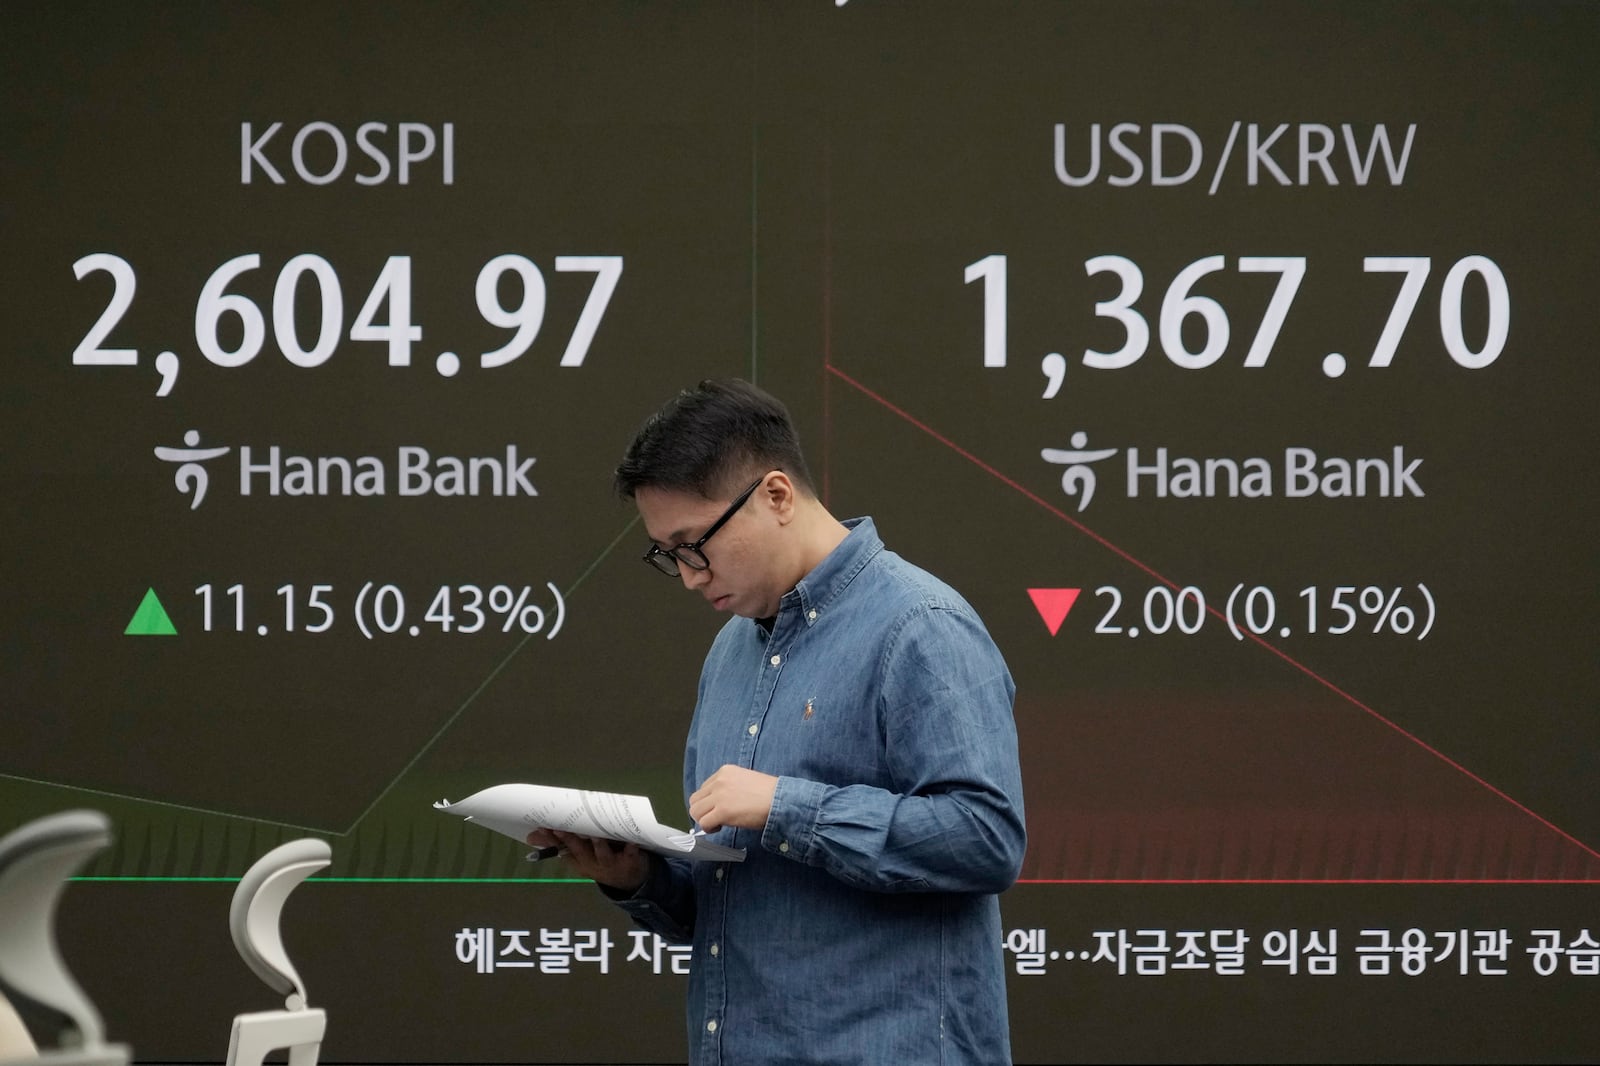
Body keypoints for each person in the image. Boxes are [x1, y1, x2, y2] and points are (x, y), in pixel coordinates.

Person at [529, 378, 1026, 1065]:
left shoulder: (920, 626)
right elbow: (736, 902)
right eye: (667, 555)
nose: (691, 577)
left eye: (694, 544)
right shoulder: (732, 646)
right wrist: (635, 878)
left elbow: (988, 838)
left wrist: (788, 806)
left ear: (777, 496)